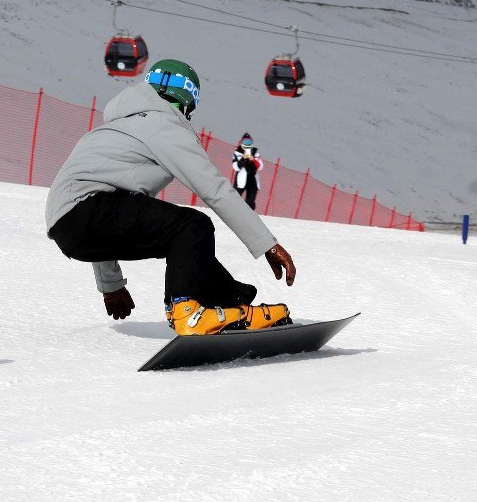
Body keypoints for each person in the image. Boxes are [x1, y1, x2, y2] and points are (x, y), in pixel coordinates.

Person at [45, 59, 296, 336]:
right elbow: (214, 189)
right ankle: (187, 313)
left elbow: (106, 212)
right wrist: (267, 245)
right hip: (90, 211)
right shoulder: (162, 123)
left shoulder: (114, 130)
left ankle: (232, 303)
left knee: (184, 240)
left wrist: (111, 285)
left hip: (66, 227)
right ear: (186, 98)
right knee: (191, 226)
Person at [232, 132, 262, 210]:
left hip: (253, 180)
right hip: (241, 179)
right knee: (235, 197)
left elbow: (261, 167)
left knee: (250, 201)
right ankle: (232, 211)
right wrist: (243, 159)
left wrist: (253, 160)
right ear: (241, 142)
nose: (247, 144)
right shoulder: (237, 153)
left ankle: (248, 214)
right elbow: (236, 167)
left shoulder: (256, 154)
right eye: (245, 142)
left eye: (249, 142)